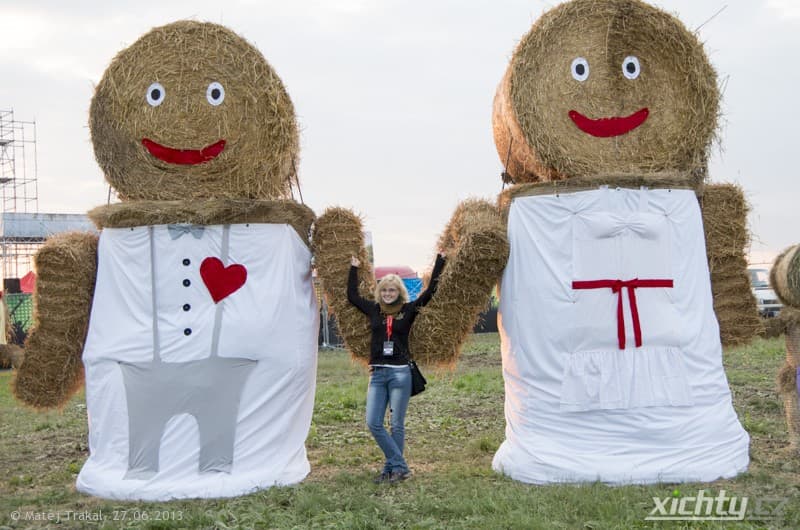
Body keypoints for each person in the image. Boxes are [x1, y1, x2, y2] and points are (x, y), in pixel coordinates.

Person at [348, 252, 446, 483]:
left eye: (392, 290)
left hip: (400, 373)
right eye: (384, 290)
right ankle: (399, 465)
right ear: (380, 292)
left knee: (396, 424)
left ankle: (392, 469)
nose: (388, 293)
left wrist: (440, 262)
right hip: (378, 373)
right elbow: (351, 296)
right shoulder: (374, 309)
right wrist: (353, 268)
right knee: (373, 422)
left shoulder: (409, 309)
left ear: (399, 292)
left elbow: (431, 292)